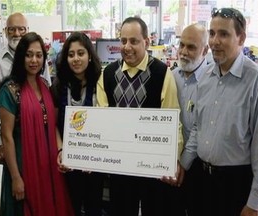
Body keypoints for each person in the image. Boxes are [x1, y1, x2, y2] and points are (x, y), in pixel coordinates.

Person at [178, 8, 258, 216]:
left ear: (241, 38)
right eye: (212, 33)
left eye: (224, 34)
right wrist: (183, 164)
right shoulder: (207, 76)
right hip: (202, 180)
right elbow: (198, 127)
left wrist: (255, 201)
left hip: (235, 184)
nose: (214, 41)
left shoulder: (256, 81)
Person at [97, 16, 184, 216]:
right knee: (121, 210)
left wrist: (173, 159)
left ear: (146, 41)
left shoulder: (163, 73)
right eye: (123, 41)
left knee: (154, 209)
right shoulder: (107, 74)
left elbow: (173, 121)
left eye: (134, 41)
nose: (127, 47)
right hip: (120, 166)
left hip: (153, 165)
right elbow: (102, 122)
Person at [0, 32, 74, 216]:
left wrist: (62, 151)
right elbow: (6, 137)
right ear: (21, 57)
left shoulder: (45, 86)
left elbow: (52, 125)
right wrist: (16, 177)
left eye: (39, 55)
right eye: (29, 55)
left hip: (47, 165)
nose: (34, 60)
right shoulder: (9, 90)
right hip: (22, 164)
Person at [0, 12, 51, 164]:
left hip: (39, 133)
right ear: (5, 31)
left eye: (21, 29)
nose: (17, 33)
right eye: (12, 29)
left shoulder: (38, 58)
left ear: (27, 30)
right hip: (13, 136)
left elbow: (47, 93)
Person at [51, 32, 104, 216]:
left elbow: (107, 124)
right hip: (69, 160)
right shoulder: (58, 86)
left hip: (94, 161)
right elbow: (55, 125)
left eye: (81, 53)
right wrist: (61, 150)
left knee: (94, 206)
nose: (76, 59)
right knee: (71, 206)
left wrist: (94, 155)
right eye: (71, 54)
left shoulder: (101, 83)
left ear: (90, 56)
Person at [172, 23, 209, 216]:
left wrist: (183, 163)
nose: (184, 52)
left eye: (191, 47)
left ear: (205, 49)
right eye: (181, 45)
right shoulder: (171, 77)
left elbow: (200, 127)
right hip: (172, 161)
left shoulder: (211, 82)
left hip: (197, 164)